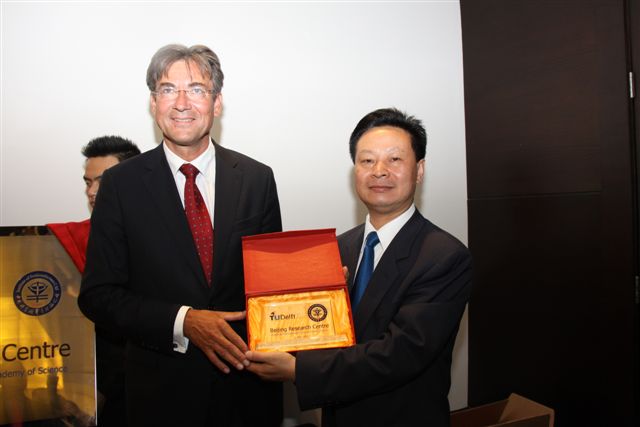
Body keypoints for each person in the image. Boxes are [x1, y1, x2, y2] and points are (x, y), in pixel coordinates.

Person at [78, 44, 283, 427]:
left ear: (217, 103)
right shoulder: (120, 185)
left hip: (246, 392)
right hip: (161, 397)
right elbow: (98, 296)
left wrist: (312, 287)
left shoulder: (257, 178)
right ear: (153, 103)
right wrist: (183, 321)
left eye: (197, 89)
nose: (182, 103)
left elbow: (270, 283)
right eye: (168, 89)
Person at [246, 108, 472, 426]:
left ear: (419, 170)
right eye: (367, 160)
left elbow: (400, 354)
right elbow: (318, 330)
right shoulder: (337, 248)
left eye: (395, 159)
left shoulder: (444, 256)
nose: (379, 171)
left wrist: (298, 370)